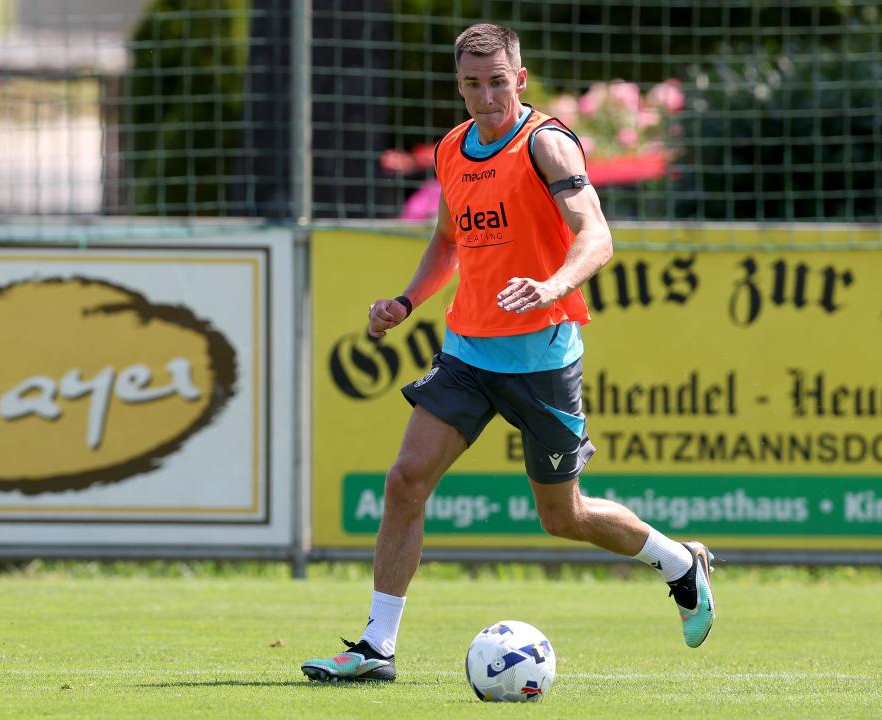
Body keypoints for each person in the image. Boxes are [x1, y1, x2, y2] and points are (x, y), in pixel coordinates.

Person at [302, 23, 715, 683]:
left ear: (519, 80)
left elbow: (596, 235)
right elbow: (447, 241)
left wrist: (551, 285)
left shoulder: (545, 144)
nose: (486, 95)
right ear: (459, 85)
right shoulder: (451, 150)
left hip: (543, 361)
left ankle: (677, 563)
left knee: (563, 515)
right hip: (468, 353)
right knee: (406, 481)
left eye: (498, 81)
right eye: (473, 83)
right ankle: (377, 648)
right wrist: (406, 302)